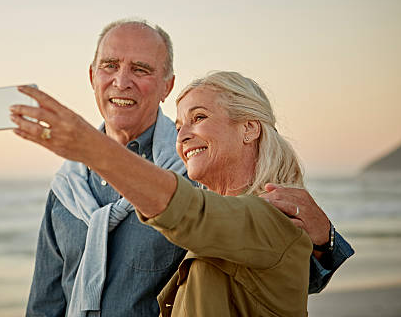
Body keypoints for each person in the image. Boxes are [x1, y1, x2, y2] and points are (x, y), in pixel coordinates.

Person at [20, 19, 354, 316]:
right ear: (93, 76)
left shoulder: (198, 173)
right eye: (109, 65)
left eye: (140, 69)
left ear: (167, 85)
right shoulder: (67, 185)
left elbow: (278, 262)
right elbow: (45, 301)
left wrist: (326, 240)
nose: (122, 81)